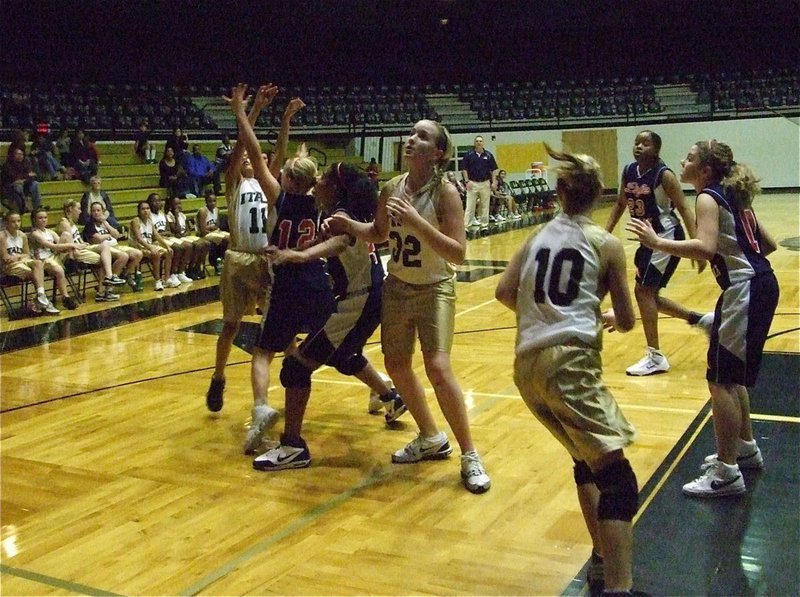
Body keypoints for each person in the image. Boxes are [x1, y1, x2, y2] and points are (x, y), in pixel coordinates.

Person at [496, 144, 639, 596]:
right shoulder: (606, 243)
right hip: (569, 362)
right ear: (599, 196)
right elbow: (628, 318)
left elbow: (504, 291)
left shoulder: (536, 237)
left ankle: (599, 559)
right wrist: (586, 313)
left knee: (584, 458)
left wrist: (542, 313)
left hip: (526, 364)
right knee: (619, 479)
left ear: (558, 192)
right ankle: (620, 588)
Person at [326, 119, 491, 494]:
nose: (411, 139)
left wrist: (417, 223)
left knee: (437, 366)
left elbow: (459, 254)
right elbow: (379, 234)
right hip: (398, 285)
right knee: (396, 364)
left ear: (438, 153)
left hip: (435, 288)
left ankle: (470, 454)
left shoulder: (446, 192)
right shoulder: (391, 187)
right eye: (411, 133)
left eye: (422, 136)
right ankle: (430, 436)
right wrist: (351, 224)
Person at [627, 140, 779, 498]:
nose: (683, 160)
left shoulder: (709, 197)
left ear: (705, 170)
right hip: (761, 284)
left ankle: (726, 473)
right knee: (733, 376)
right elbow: (768, 245)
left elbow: (706, 247)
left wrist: (657, 242)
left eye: (691, 158)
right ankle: (744, 448)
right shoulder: (733, 193)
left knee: (720, 381)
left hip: (745, 290)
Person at [252, 163, 407, 471]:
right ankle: (390, 397)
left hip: (359, 301)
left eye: (323, 178)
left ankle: (293, 447)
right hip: (364, 299)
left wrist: (299, 255)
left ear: (334, 188)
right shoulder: (341, 211)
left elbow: (341, 243)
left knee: (296, 368)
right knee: (343, 357)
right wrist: (297, 247)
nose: (317, 181)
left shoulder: (341, 217)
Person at [226, 85, 331, 456]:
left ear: (286, 179)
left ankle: (261, 407)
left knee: (262, 353)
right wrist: (287, 124)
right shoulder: (322, 202)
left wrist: (242, 112)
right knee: (335, 347)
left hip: (285, 283)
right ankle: (381, 389)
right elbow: (293, 165)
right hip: (318, 282)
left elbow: (254, 148)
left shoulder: (279, 197)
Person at [204, 83, 280, 448]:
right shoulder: (234, 183)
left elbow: (273, 154)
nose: (251, 159)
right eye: (248, 158)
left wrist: (282, 121)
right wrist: (250, 112)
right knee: (231, 326)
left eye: (255, 157)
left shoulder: (266, 181)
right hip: (237, 258)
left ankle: (263, 396)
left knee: (271, 328)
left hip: (265, 260)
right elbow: (241, 147)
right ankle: (219, 376)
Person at [606, 130, 709, 376]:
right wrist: (605, 234)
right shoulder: (629, 170)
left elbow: (684, 208)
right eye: (637, 142)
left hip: (664, 237)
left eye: (646, 143)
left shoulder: (664, 175)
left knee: (643, 293)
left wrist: (697, 245)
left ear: (657, 149)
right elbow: (621, 203)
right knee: (648, 295)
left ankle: (655, 356)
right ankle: (700, 320)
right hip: (646, 241)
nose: (639, 147)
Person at [56, 199, 127, 302]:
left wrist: (83, 243)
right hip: (72, 252)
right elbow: (70, 243)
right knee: (104, 259)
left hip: (81, 248)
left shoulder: (71, 222)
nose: (81, 211)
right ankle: (103, 291)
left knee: (104, 247)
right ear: (71, 209)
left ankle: (108, 278)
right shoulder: (64, 222)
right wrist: (78, 247)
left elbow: (77, 239)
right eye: (79, 208)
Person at [0, 211, 60, 315]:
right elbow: (6, 258)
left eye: (18, 221)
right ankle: (40, 300)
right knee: (34, 273)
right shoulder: (2, 236)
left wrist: (17, 256)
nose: (17, 224)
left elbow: (27, 254)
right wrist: (19, 257)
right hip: (9, 267)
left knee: (37, 263)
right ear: (6, 223)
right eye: (13, 221)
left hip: (21, 261)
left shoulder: (22, 235)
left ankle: (41, 296)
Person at [83, 201, 143, 291]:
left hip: (116, 246)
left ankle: (124, 274)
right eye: (93, 211)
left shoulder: (106, 222)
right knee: (123, 256)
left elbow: (116, 234)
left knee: (138, 254)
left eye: (98, 210)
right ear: (90, 212)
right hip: (103, 248)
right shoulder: (89, 224)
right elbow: (98, 239)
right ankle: (110, 284)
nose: (96, 213)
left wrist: (105, 222)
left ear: (103, 212)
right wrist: (109, 235)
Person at [28, 208, 80, 310]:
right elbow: (52, 246)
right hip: (43, 261)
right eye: (40, 218)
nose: (43, 220)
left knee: (66, 235)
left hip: (53, 256)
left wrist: (71, 247)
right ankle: (66, 297)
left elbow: (60, 244)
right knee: (59, 270)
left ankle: (71, 260)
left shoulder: (50, 232)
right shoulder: (34, 233)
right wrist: (74, 245)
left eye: (45, 217)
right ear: (34, 220)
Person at [129, 200, 178, 291]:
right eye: (143, 209)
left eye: (147, 208)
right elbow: (139, 239)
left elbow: (157, 235)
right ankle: (157, 281)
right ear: (138, 211)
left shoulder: (150, 221)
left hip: (148, 246)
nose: (146, 211)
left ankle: (166, 279)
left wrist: (167, 246)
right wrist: (151, 247)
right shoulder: (135, 221)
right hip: (137, 247)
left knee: (168, 252)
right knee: (155, 253)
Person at [148, 192, 190, 285]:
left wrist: (164, 233)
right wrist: (162, 234)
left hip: (166, 238)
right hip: (156, 241)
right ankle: (172, 273)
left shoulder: (162, 214)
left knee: (187, 246)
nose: (157, 203)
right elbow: (153, 234)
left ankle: (180, 272)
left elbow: (168, 231)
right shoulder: (148, 215)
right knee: (177, 247)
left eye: (159, 200)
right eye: (154, 201)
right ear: (149, 203)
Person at [167, 196, 209, 280]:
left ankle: (196, 267)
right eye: (176, 204)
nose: (179, 205)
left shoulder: (182, 215)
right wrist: (176, 216)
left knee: (206, 243)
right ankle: (188, 269)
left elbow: (187, 230)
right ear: (171, 206)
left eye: (179, 203)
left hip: (185, 236)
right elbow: (176, 230)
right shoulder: (169, 215)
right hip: (178, 238)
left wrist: (186, 234)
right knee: (196, 245)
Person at [461, 134, 498, 231]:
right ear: (474, 143)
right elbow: (464, 169)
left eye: (480, 141)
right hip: (472, 183)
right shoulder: (469, 155)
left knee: (485, 205)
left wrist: (494, 182)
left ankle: (484, 226)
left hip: (485, 183)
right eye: (477, 141)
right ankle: (466, 227)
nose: (479, 142)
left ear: (483, 143)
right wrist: (467, 181)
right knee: (470, 206)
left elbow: (494, 169)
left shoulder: (488, 155)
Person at [195, 189, 229, 273]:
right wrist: (212, 228)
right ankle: (216, 262)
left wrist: (211, 228)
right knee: (222, 239)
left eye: (214, 201)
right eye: (210, 201)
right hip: (203, 235)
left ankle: (221, 260)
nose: (213, 203)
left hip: (214, 233)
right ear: (206, 202)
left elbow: (217, 226)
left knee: (229, 237)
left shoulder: (217, 210)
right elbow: (203, 231)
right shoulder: (203, 211)